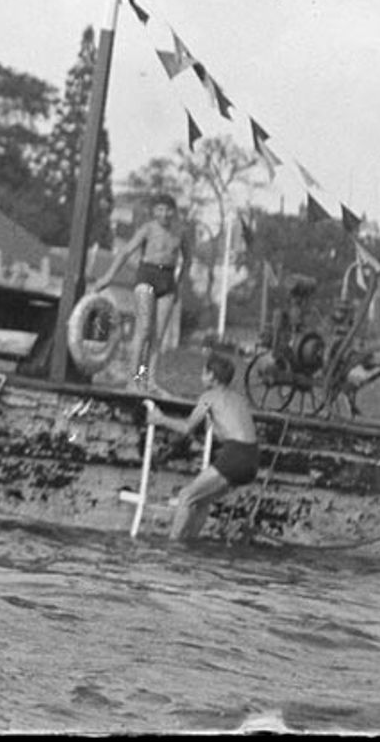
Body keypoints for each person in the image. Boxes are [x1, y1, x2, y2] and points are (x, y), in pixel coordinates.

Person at [145, 349, 261, 541]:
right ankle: (190, 545)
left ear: (212, 376)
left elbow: (186, 428)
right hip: (253, 459)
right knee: (202, 500)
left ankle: (172, 547)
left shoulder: (209, 396)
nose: (201, 377)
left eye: (203, 373)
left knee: (186, 496)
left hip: (235, 454)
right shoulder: (239, 399)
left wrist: (160, 419)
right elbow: (225, 427)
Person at [90, 191, 188, 391]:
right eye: (160, 209)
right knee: (143, 330)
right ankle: (134, 379)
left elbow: (188, 260)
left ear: (174, 212)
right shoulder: (148, 229)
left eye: (168, 210)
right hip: (147, 276)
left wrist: (179, 284)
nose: (164, 214)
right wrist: (108, 277)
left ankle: (150, 379)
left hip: (168, 279)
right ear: (154, 211)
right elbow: (126, 252)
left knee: (157, 336)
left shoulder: (180, 233)